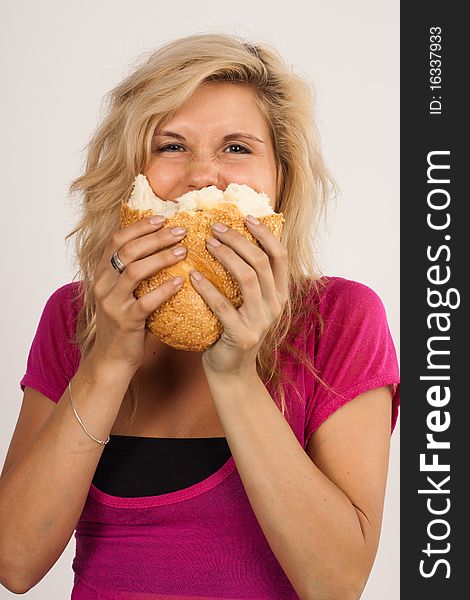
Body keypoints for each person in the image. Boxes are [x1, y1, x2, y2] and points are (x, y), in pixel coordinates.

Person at [0, 33, 400, 599]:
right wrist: (109, 359)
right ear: (131, 173)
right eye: (170, 146)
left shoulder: (340, 318)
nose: (202, 177)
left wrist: (234, 372)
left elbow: (336, 584)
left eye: (237, 148)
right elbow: (14, 563)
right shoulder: (74, 316)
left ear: (280, 180)